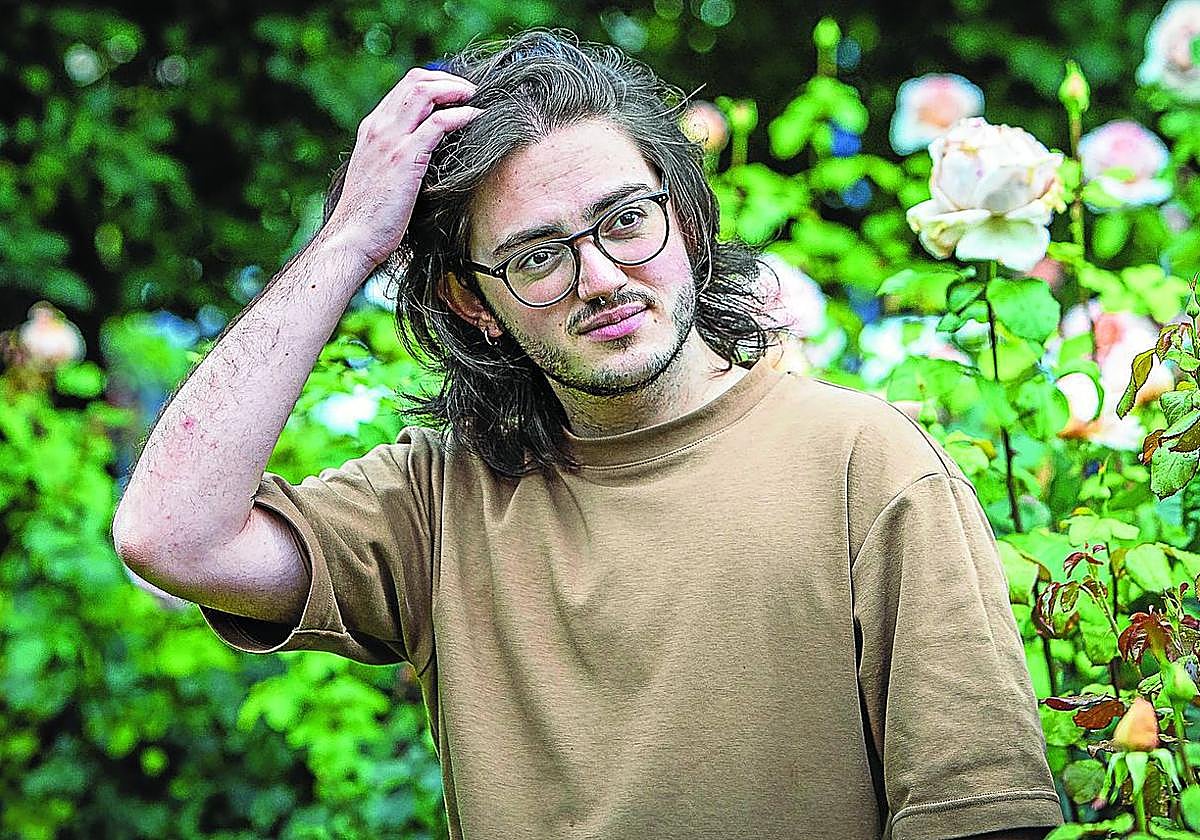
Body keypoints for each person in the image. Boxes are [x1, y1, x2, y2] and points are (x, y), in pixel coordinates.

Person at [112, 28, 1063, 840]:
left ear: (686, 218)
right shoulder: (438, 501)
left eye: (626, 220)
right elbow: (170, 534)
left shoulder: (868, 463)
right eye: (536, 257)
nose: (601, 277)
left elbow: (982, 816)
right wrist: (351, 237)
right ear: (472, 304)